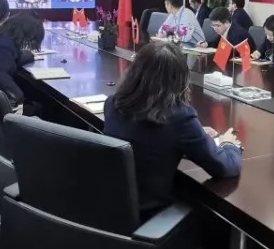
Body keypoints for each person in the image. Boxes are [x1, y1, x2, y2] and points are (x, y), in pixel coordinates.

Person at [103, 41, 242, 219]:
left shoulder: (113, 104)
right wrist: (228, 144)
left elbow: (147, 138)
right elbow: (226, 167)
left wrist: (196, 133)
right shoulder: (180, 119)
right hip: (149, 218)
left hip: (110, 211)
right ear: (180, 81)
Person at [0, 11, 42, 114]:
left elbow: (11, 59)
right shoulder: (4, 46)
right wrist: (19, 98)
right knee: (43, 107)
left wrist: (30, 56)